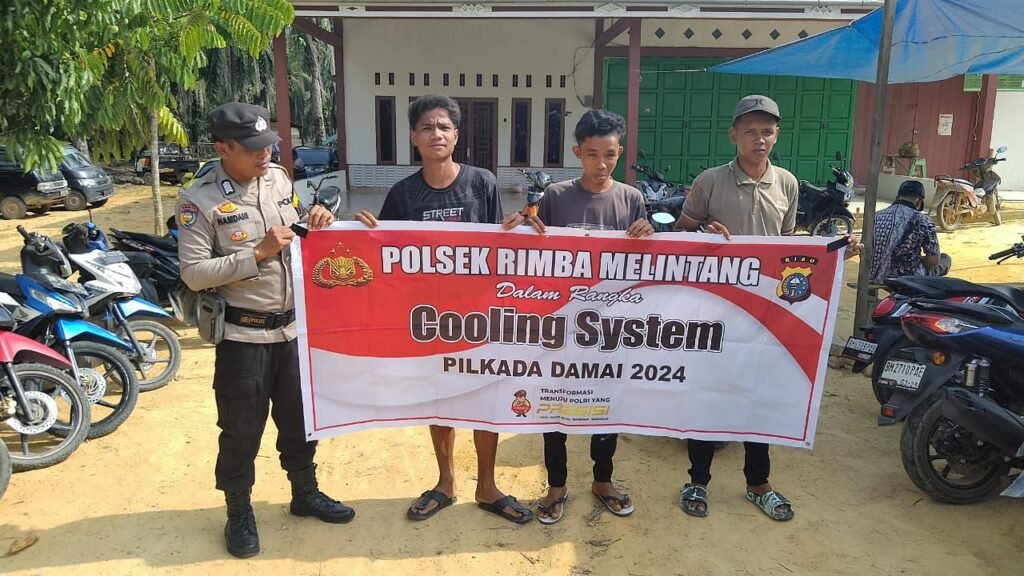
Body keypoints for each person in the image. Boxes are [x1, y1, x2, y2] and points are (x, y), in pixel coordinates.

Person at [672, 95, 862, 522]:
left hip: (765, 314)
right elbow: (681, 236)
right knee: (708, 394)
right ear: (733, 136)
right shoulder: (710, 182)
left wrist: (836, 252)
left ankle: (758, 484)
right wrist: (704, 234)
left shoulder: (787, 184)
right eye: (751, 131)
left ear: (776, 136)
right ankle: (697, 480)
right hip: (715, 311)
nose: (759, 139)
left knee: (759, 396)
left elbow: (788, 247)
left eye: (767, 131)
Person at [178, 102, 354, 559]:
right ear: (223, 148)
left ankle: (304, 492)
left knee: (300, 421)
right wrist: (255, 253)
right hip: (244, 338)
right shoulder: (199, 200)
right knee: (240, 430)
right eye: (254, 148)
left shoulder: (277, 178)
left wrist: (316, 219)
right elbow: (193, 273)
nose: (266, 154)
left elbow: (295, 228)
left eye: (269, 145)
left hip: (292, 332)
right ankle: (238, 511)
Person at [355, 94, 533, 524]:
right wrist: (361, 234)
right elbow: (386, 253)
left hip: (478, 317)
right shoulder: (403, 194)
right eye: (427, 127)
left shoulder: (482, 183)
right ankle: (446, 482)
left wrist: (520, 226)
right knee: (439, 398)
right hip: (428, 320)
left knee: (485, 396)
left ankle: (487, 486)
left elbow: (499, 247)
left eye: (444, 127)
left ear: (456, 135)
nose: (436, 133)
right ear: (413, 137)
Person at [502, 109, 651, 524]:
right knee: (554, 405)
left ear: (620, 152)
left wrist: (648, 233)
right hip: (561, 326)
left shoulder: (631, 199)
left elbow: (645, 260)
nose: (601, 164)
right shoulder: (555, 196)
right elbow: (534, 249)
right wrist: (522, 225)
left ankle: (603, 480)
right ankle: (556, 485)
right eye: (592, 155)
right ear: (577, 153)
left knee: (607, 402)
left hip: (610, 327)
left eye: (610, 155)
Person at [870, 179, 951, 283]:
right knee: (945, 259)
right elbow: (933, 261)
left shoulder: (876, 216)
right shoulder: (923, 220)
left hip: (874, 275)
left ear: (898, 196)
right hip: (906, 280)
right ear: (919, 201)